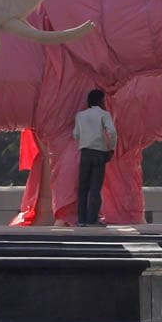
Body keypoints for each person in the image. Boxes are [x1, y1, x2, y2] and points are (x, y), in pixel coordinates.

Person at [73, 89, 118, 226]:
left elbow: (75, 134)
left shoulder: (80, 115)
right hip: (99, 153)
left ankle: (81, 220)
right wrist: (111, 148)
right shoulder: (104, 114)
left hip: (85, 152)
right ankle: (92, 219)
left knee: (83, 188)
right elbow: (112, 132)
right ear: (100, 101)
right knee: (95, 187)